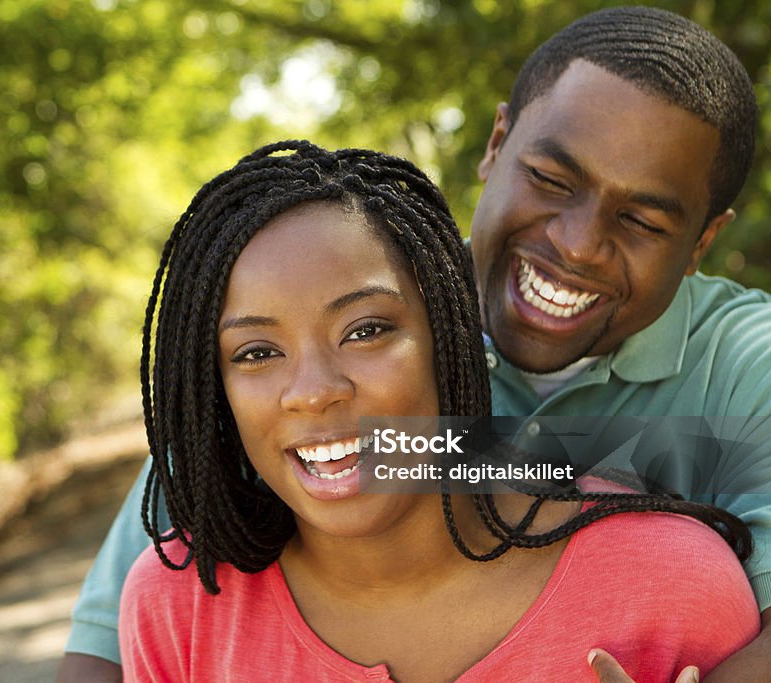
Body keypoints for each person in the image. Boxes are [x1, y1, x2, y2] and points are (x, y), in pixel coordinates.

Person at [59, 6, 771, 681]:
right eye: (551, 180)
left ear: (703, 240)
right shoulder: (357, 315)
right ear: (497, 144)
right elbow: (121, 630)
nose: (577, 245)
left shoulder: (746, 364)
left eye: (642, 219)